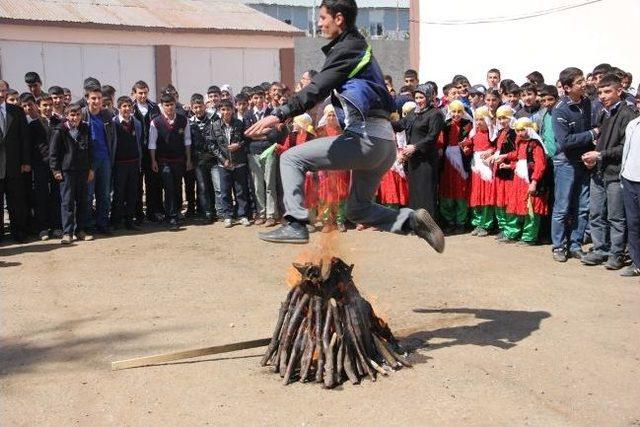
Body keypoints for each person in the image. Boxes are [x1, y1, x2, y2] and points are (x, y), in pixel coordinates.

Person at [246, 0, 444, 253]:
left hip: (365, 140)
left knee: (291, 159)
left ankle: (296, 223)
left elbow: (317, 89)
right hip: (383, 145)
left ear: (339, 18)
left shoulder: (347, 49)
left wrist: (280, 113)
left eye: (322, 18)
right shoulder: (357, 48)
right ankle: (412, 221)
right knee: (357, 210)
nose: (319, 23)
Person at [580, 73, 639, 269]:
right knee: (596, 214)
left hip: (615, 173)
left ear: (619, 90)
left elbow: (625, 148)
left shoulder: (628, 115)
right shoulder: (602, 113)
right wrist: (593, 158)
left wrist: (600, 155)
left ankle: (616, 253)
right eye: (600, 93)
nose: (603, 96)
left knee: (616, 217)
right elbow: (600, 141)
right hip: (598, 172)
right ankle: (600, 250)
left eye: (607, 91)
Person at [551, 67, 597, 263]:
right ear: (567, 88)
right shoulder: (560, 110)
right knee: (562, 207)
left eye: (582, 80)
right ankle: (559, 246)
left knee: (583, 206)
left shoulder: (587, 103)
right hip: (565, 164)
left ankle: (576, 244)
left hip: (584, 162)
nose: (583, 84)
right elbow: (565, 141)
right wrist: (592, 134)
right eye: (579, 82)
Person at [394, 84, 445, 216]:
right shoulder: (413, 113)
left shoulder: (436, 114)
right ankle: (417, 223)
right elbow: (400, 125)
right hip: (414, 160)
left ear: (428, 97)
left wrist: (415, 146)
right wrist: (383, 121)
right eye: (416, 97)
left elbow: (432, 137)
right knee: (415, 192)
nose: (418, 100)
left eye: (421, 97)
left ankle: (429, 225)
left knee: (426, 192)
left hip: (427, 160)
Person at [495, 117, 548, 245]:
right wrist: (506, 157)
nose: (519, 133)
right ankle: (512, 233)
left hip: (529, 182)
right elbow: (518, 156)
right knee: (515, 206)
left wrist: (534, 182)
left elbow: (540, 165)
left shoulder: (535, 145)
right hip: (518, 181)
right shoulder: (520, 142)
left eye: (522, 130)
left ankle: (529, 237)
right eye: (517, 130)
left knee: (531, 209)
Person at [49, 103, 94, 244]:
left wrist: (91, 169)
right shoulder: (59, 130)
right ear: (67, 116)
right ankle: (67, 232)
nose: (75, 118)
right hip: (67, 171)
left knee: (83, 201)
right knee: (67, 202)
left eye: (78, 115)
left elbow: (91, 150)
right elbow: (53, 153)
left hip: (83, 170)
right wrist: (55, 170)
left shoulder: (85, 128)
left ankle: (81, 230)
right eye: (72, 115)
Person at [149, 93, 193, 231]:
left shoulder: (183, 120)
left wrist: (189, 159)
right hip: (163, 161)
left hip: (179, 160)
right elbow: (152, 143)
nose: (169, 107)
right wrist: (153, 161)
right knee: (168, 187)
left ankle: (177, 211)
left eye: (171, 104)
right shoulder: (156, 122)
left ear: (175, 104)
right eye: (166, 105)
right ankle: (171, 216)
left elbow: (187, 140)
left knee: (178, 185)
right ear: (162, 106)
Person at [211, 99, 251, 228]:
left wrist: (238, 145)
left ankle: (242, 215)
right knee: (225, 191)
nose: (226, 112)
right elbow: (212, 146)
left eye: (228, 109)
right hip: (224, 164)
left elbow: (247, 140)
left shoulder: (239, 123)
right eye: (223, 109)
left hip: (239, 163)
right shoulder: (215, 125)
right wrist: (223, 160)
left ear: (233, 110)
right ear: (219, 111)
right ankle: (228, 216)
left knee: (240, 191)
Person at [82, 83, 116, 235]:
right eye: (93, 98)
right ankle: (88, 224)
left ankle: (103, 223)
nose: (96, 101)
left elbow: (113, 137)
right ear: (87, 99)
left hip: (105, 160)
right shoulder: (82, 115)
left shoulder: (107, 115)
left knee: (104, 193)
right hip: (89, 162)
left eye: (99, 98)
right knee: (88, 195)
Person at [0, 80, 31, 243]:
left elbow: (24, 138)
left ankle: (18, 232)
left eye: (3, 91)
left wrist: (25, 161)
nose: (1, 94)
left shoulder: (16, 111)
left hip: (14, 165)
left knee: (16, 202)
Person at [438, 100, 472, 234]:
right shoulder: (445, 125)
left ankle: (461, 222)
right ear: (449, 111)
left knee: (460, 192)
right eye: (453, 111)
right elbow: (440, 142)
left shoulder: (468, 125)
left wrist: (467, 147)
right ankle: (449, 221)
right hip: (447, 163)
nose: (456, 114)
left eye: (459, 111)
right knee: (447, 191)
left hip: (462, 162)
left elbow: (471, 142)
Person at [132, 80, 162, 224]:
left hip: (151, 151)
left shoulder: (154, 107)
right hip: (136, 151)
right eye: (140, 93)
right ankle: (138, 214)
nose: (143, 95)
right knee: (136, 184)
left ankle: (152, 212)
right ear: (134, 93)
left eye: (145, 92)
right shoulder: (129, 107)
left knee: (152, 183)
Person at [111, 96, 143, 231]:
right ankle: (116, 221)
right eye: (124, 106)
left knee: (132, 193)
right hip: (119, 164)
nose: (127, 109)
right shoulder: (113, 123)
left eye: (129, 106)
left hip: (134, 163)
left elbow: (139, 142)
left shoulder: (137, 123)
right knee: (118, 193)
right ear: (119, 108)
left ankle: (129, 220)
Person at [466, 106, 495, 237]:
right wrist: (466, 147)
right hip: (476, 168)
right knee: (476, 195)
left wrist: (490, 151)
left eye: (481, 119)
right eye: (476, 120)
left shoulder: (492, 133)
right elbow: (471, 144)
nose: (478, 122)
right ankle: (477, 223)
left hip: (487, 169)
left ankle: (486, 224)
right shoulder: (474, 132)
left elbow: (498, 147)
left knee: (486, 195)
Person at [189, 93, 217, 223]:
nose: (198, 110)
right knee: (203, 186)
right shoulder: (189, 123)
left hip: (213, 158)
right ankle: (207, 212)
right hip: (198, 160)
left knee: (215, 185)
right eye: (195, 107)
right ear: (191, 108)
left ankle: (218, 210)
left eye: (200, 107)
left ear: (204, 107)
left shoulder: (213, 120)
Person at [491, 106, 517, 242]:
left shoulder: (515, 133)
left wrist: (506, 157)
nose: (502, 121)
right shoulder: (500, 132)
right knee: (500, 201)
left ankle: (511, 231)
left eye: (504, 118)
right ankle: (503, 228)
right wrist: (491, 153)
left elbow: (518, 153)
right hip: (500, 171)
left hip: (509, 172)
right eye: (499, 118)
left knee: (509, 201)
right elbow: (497, 149)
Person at [620, 115, 640, 277]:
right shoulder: (633, 124)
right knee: (633, 223)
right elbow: (626, 151)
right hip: (630, 178)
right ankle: (636, 262)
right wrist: (623, 174)